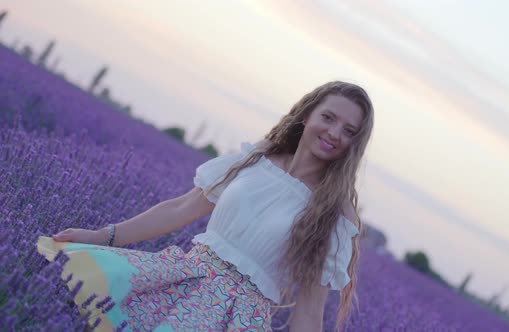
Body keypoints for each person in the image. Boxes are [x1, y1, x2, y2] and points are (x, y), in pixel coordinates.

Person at [37, 80, 374, 331]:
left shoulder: (335, 216)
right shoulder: (257, 158)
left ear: (354, 145)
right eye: (328, 118)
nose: (334, 133)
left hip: (236, 320)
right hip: (178, 281)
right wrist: (103, 236)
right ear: (306, 115)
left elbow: (311, 310)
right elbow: (182, 208)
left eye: (349, 131)